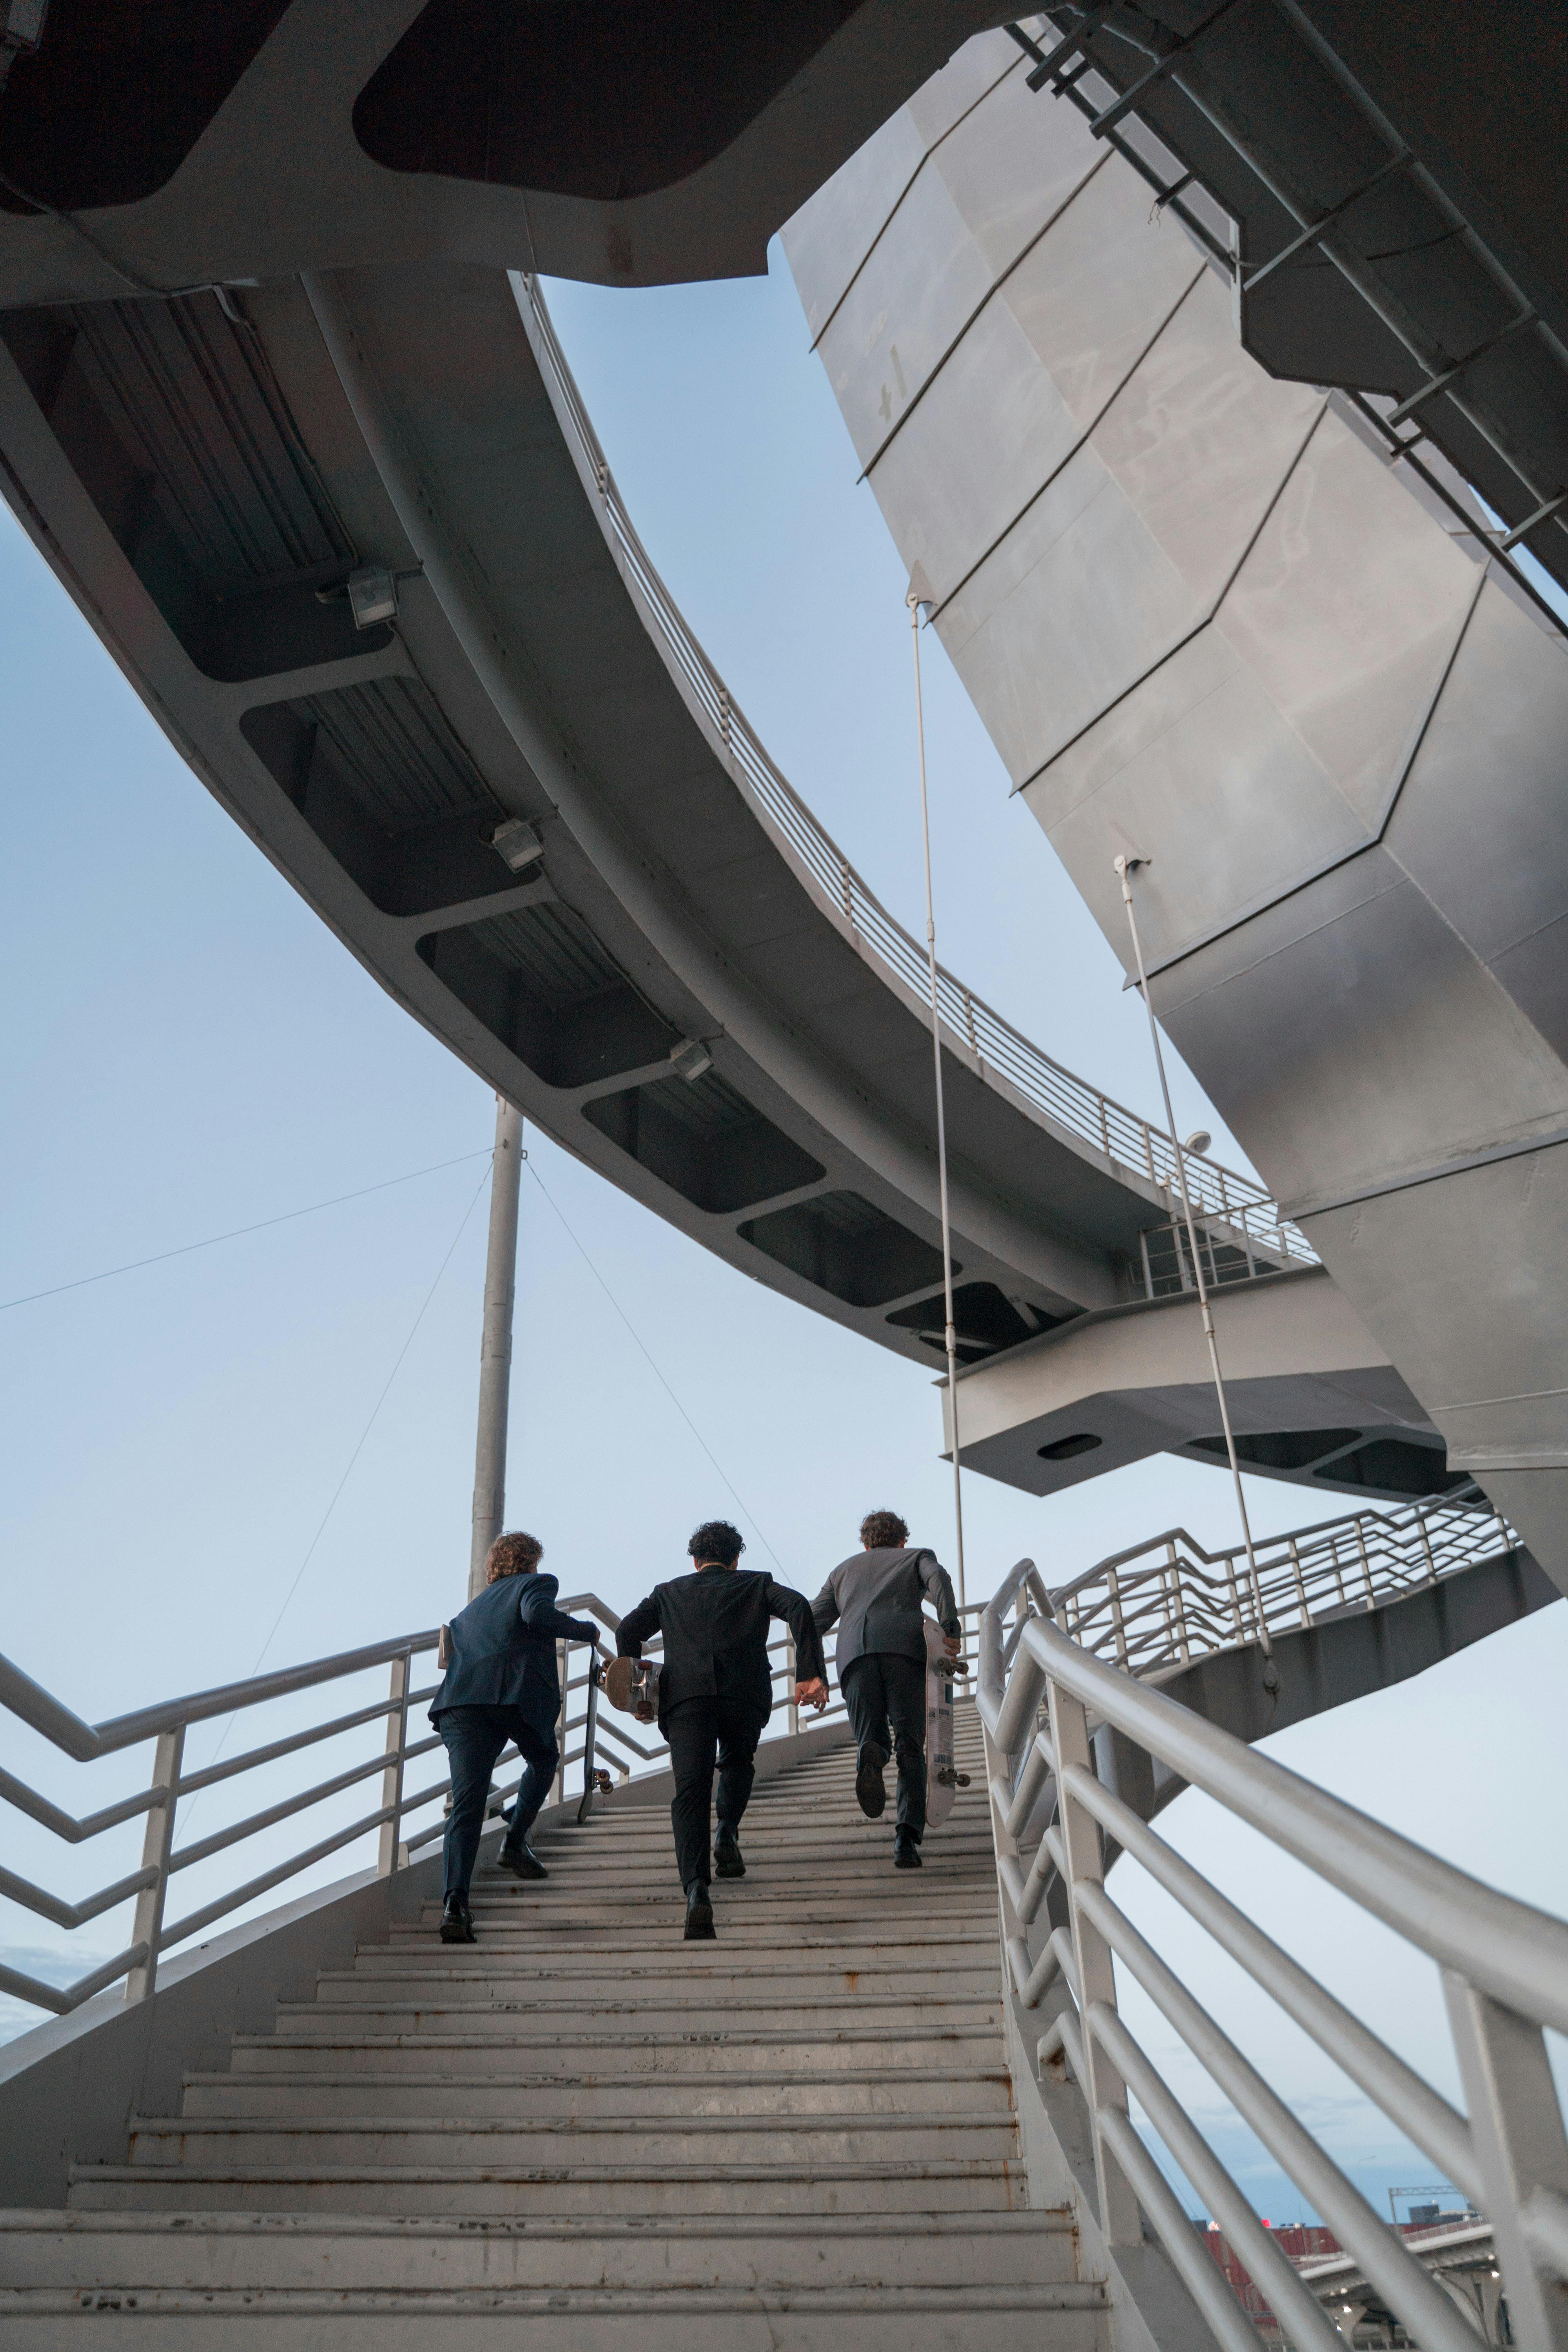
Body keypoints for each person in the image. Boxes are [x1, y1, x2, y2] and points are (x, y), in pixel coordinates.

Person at [616, 1519, 828, 1940]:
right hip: (742, 1695)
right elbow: (800, 1607)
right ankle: (727, 1832)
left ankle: (696, 1890)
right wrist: (809, 1673)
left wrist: (639, 1689)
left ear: (694, 1561)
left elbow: (627, 1630)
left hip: (686, 1700)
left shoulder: (669, 1592)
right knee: (736, 1761)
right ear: (735, 1560)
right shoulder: (755, 1584)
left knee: (691, 1790)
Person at [428, 1530, 600, 1944]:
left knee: (466, 1806)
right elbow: (537, 1615)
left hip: (462, 1704)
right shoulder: (537, 1584)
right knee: (543, 1759)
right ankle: (514, 1840)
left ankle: (455, 1905)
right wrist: (585, 1631)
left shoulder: (468, 1612)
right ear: (531, 1561)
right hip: (511, 1696)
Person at [812, 1509, 961, 1870]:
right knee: (910, 1744)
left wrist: (811, 1672)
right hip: (904, 1653)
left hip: (853, 1656)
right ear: (902, 1540)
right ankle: (905, 1840)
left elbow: (810, 1622)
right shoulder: (916, 1557)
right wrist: (950, 1626)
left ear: (865, 1544)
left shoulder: (841, 1571)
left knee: (871, 1735)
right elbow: (938, 1578)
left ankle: (871, 1750)